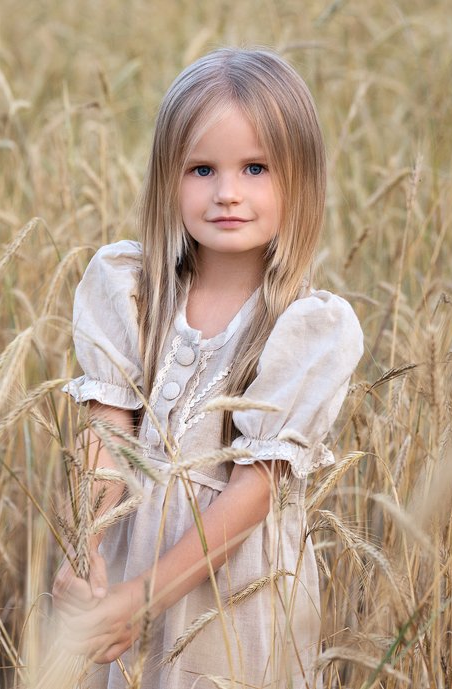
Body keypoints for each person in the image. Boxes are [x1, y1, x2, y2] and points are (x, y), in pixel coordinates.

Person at [52, 47, 365, 689]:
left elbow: (256, 491)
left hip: (234, 593)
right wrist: (83, 554)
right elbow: (108, 433)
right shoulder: (133, 291)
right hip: (126, 564)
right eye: (201, 169)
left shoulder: (307, 330)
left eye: (256, 168)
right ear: (167, 178)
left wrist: (145, 597)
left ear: (300, 180)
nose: (227, 193)